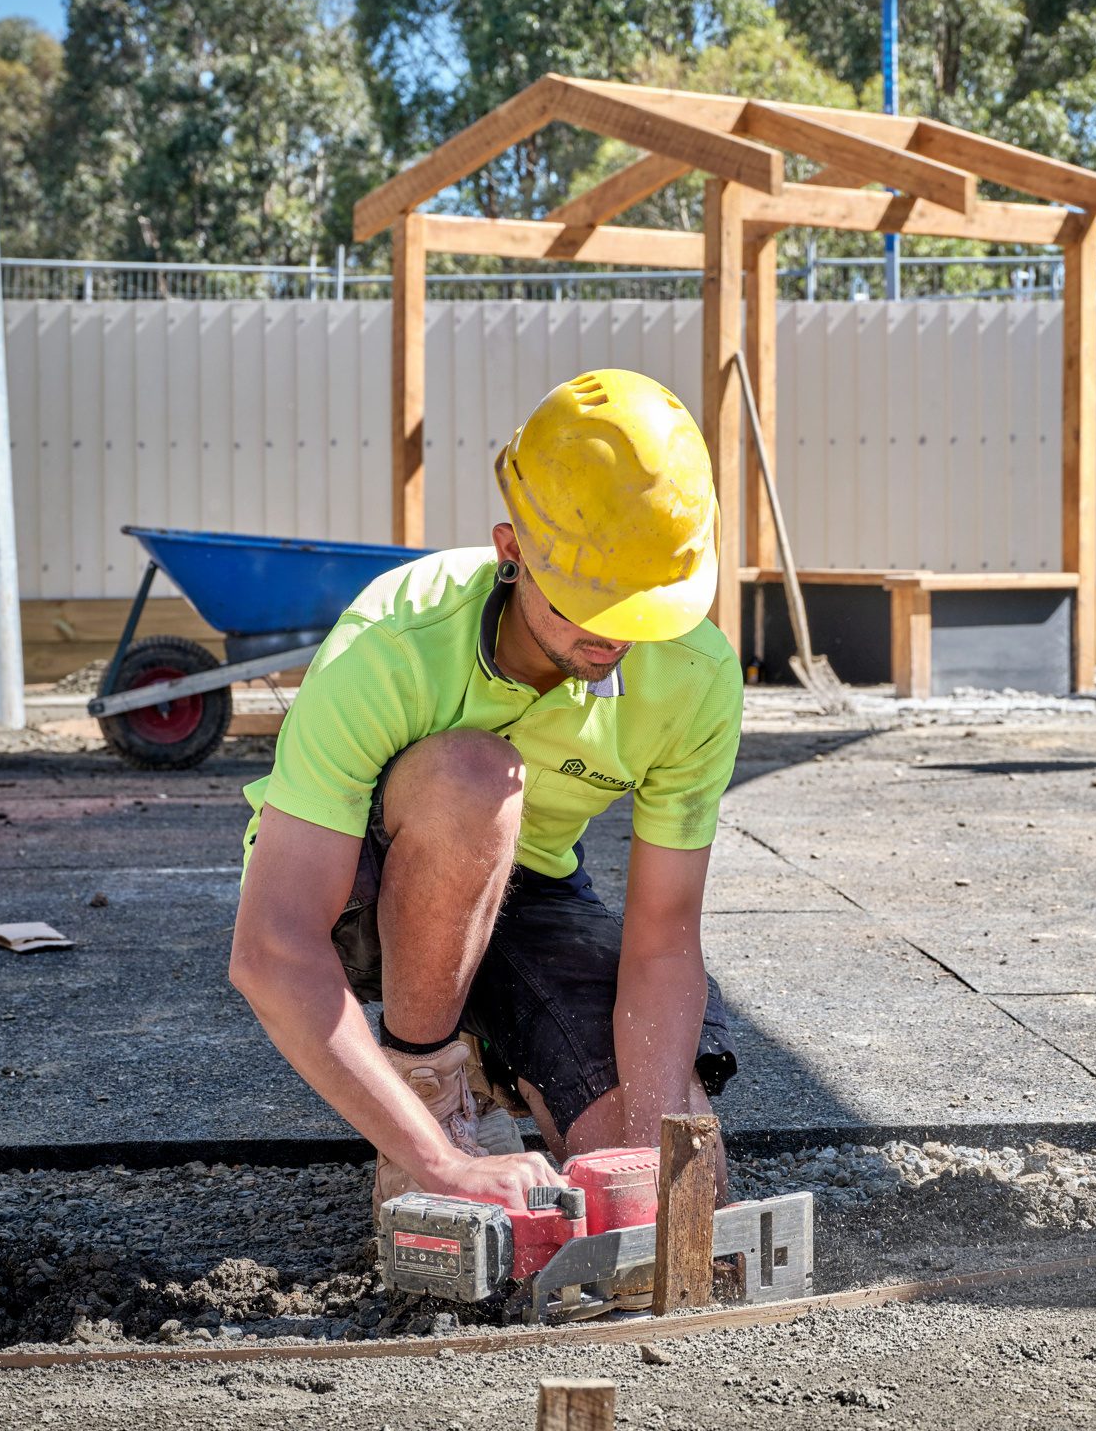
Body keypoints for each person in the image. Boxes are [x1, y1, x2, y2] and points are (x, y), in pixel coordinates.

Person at [229, 367, 743, 1218]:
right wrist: (436, 1161)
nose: (619, 634)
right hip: (361, 886)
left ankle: (499, 1055)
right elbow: (273, 946)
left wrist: (651, 1147)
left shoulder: (695, 674)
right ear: (512, 553)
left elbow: (663, 939)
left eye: (643, 610)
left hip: (528, 888)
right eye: (591, 602)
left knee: (676, 1191)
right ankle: (430, 1085)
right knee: (477, 779)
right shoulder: (395, 640)